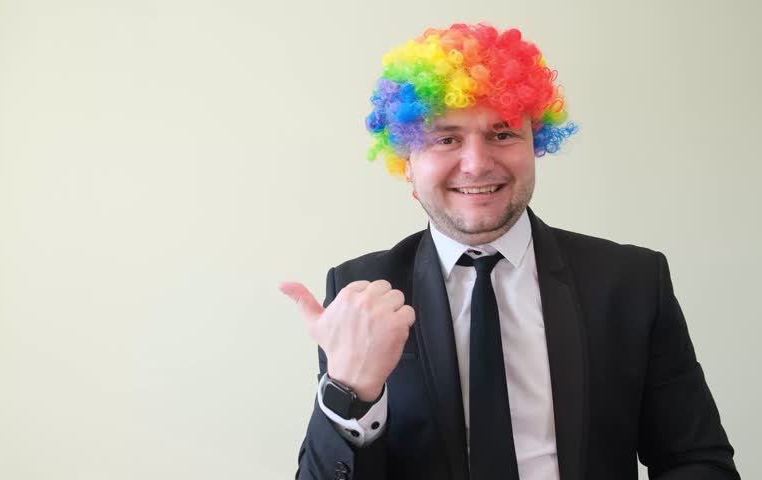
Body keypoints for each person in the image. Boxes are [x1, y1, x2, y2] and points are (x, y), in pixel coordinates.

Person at [279, 22, 739, 480]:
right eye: (446, 138)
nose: (477, 163)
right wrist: (349, 390)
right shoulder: (360, 293)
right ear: (407, 163)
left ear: (534, 144)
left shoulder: (632, 281)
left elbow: (698, 461)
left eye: (502, 134)